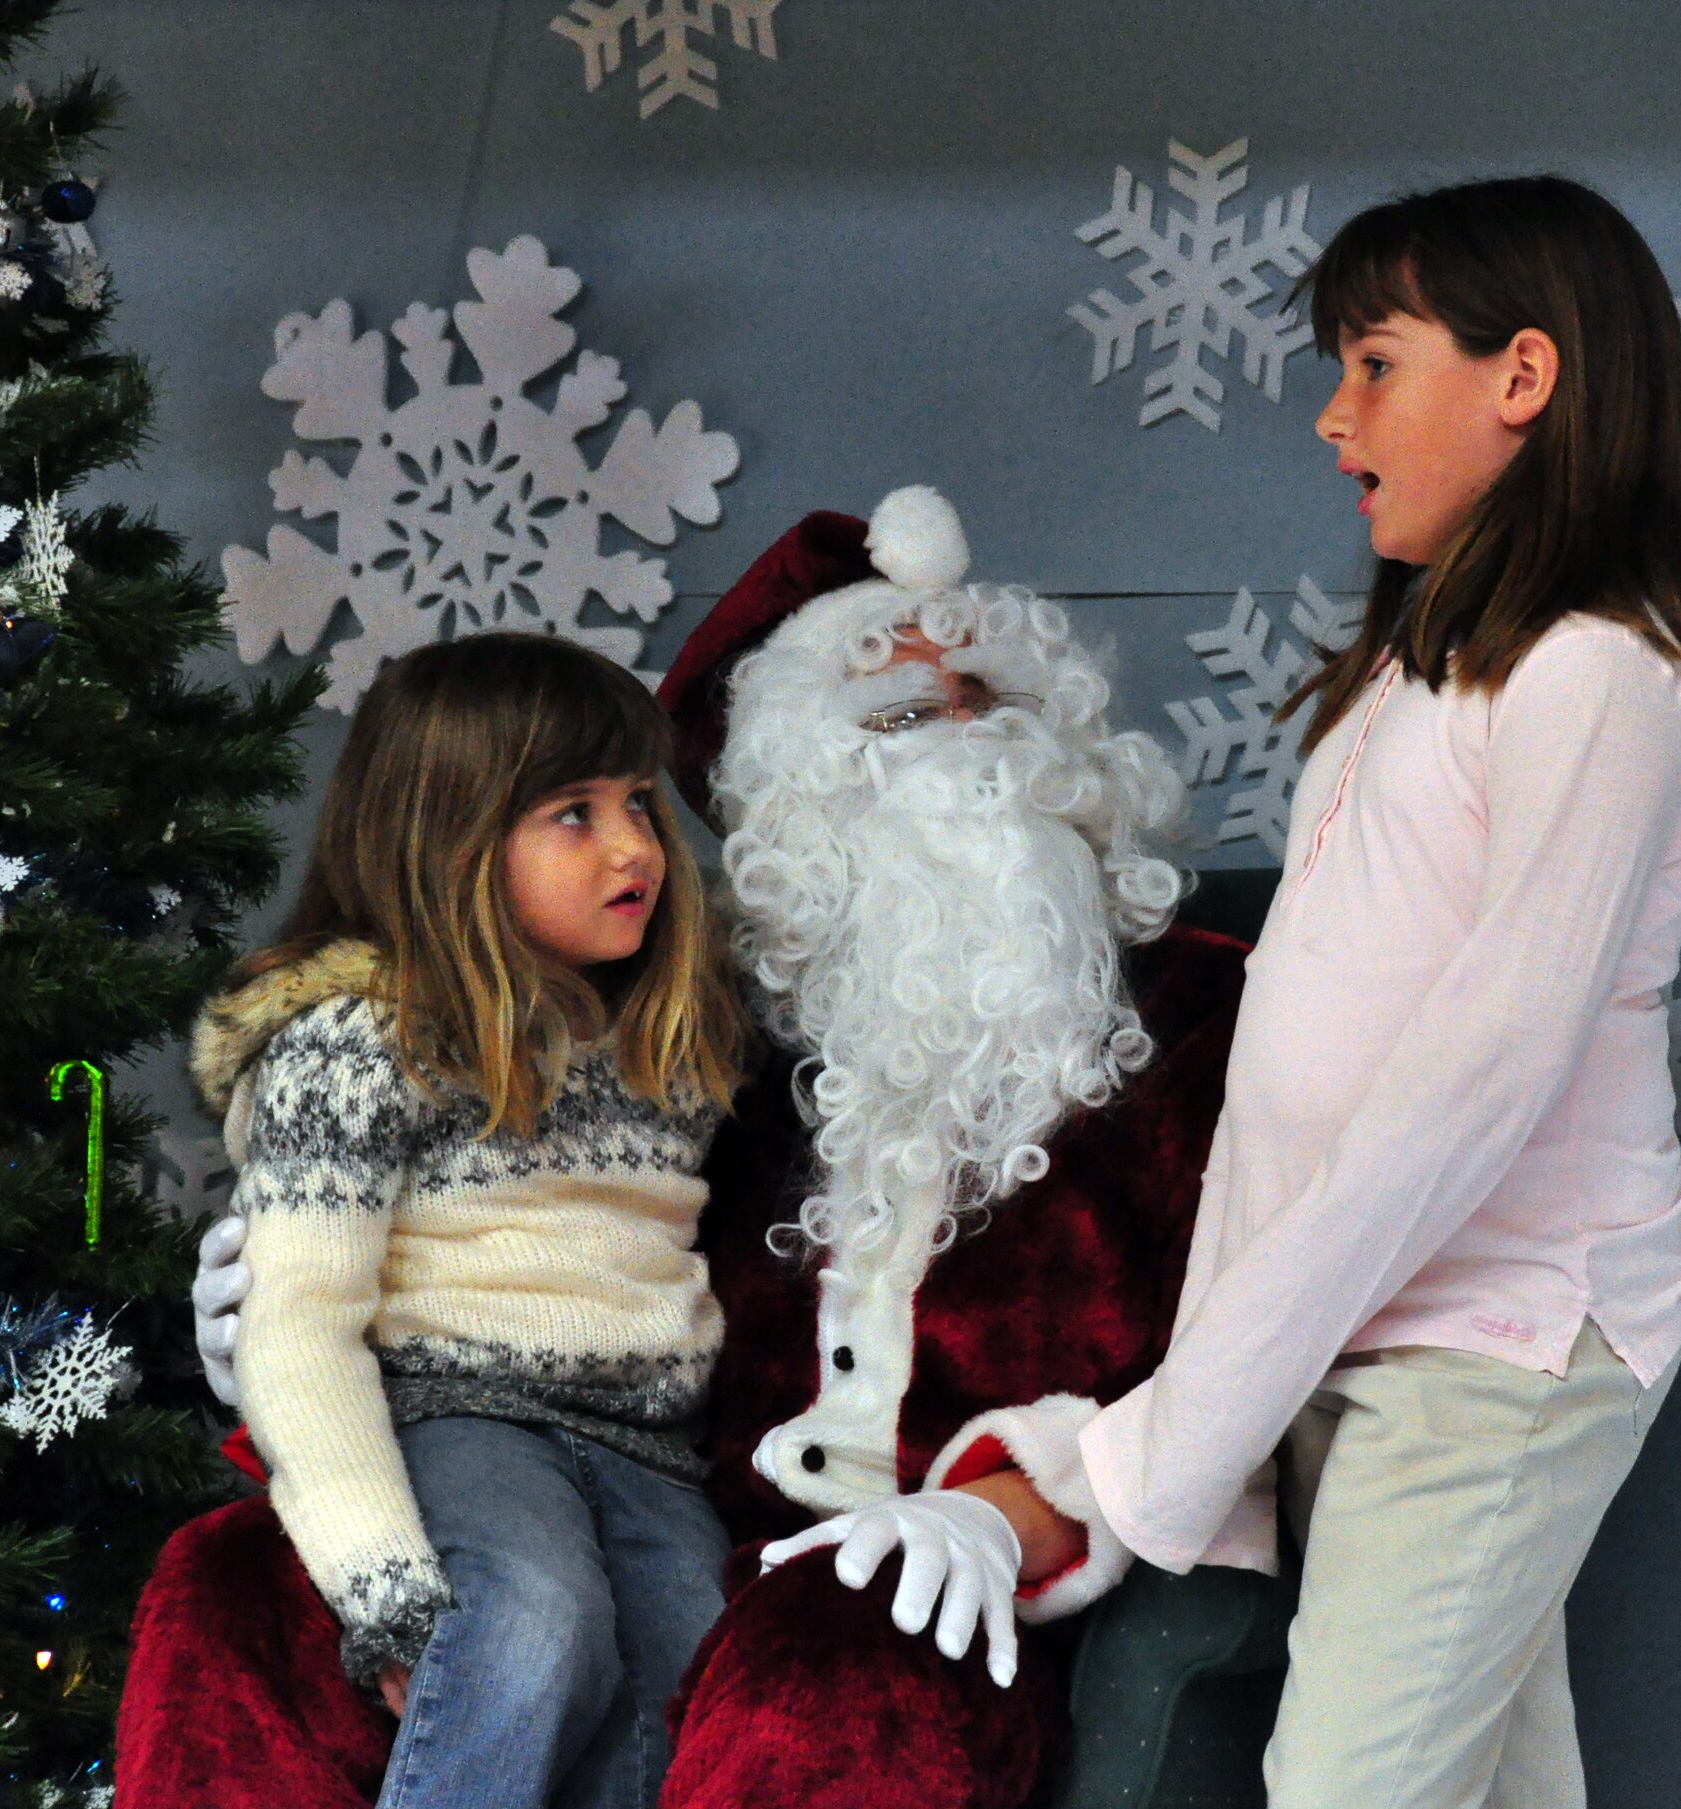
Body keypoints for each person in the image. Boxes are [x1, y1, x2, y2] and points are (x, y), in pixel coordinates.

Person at [173, 487, 1259, 1809]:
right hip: (596, 1470)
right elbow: (404, 1252)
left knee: (764, 1671)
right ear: (806, 796)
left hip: (915, 1571)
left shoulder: (1207, 1017)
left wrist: (1014, 1502)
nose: (974, 751)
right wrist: (293, 1295)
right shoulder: (730, 1026)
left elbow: (1268, 1346)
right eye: (908, 719)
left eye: (996, 704)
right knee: (270, 1587)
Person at [957, 176, 1681, 1808]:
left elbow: (1472, 1083)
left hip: (1499, 1330)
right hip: (1375, 1321)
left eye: (1373, 363)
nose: (1332, 416)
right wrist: (1231, 1399)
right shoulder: (1413, 674)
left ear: (1523, 376)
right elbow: (1293, 1090)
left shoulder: (1597, 673)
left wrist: (1153, 1450)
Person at [185, 632, 750, 1809]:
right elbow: (296, 1332)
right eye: (572, 815)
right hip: (458, 1410)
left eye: (639, 805)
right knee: (533, 1619)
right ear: (448, 841)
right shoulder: (357, 1039)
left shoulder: (662, 1034)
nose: (635, 847)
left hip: (649, 1445)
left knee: (683, 1672)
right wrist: (380, 1585)